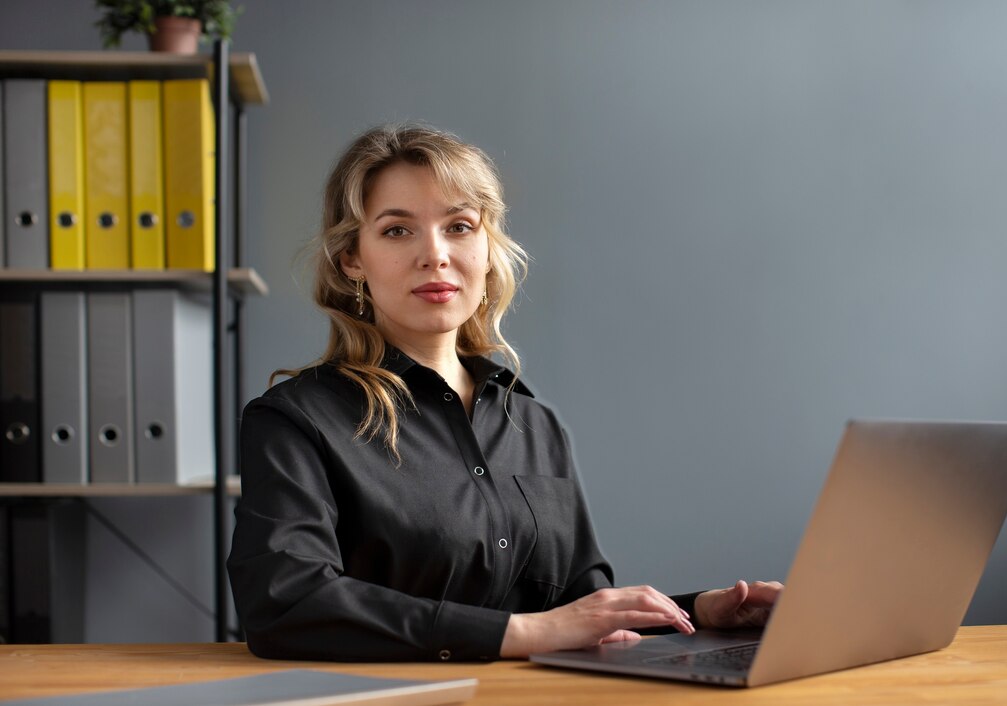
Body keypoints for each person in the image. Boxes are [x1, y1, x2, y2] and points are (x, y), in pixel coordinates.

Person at [227, 124, 782, 662]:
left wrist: (697, 613)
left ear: (488, 248)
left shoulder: (534, 424)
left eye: (460, 226)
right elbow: (286, 602)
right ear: (352, 259)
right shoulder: (296, 420)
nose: (435, 254)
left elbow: (574, 613)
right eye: (397, 230)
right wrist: (518, 633)